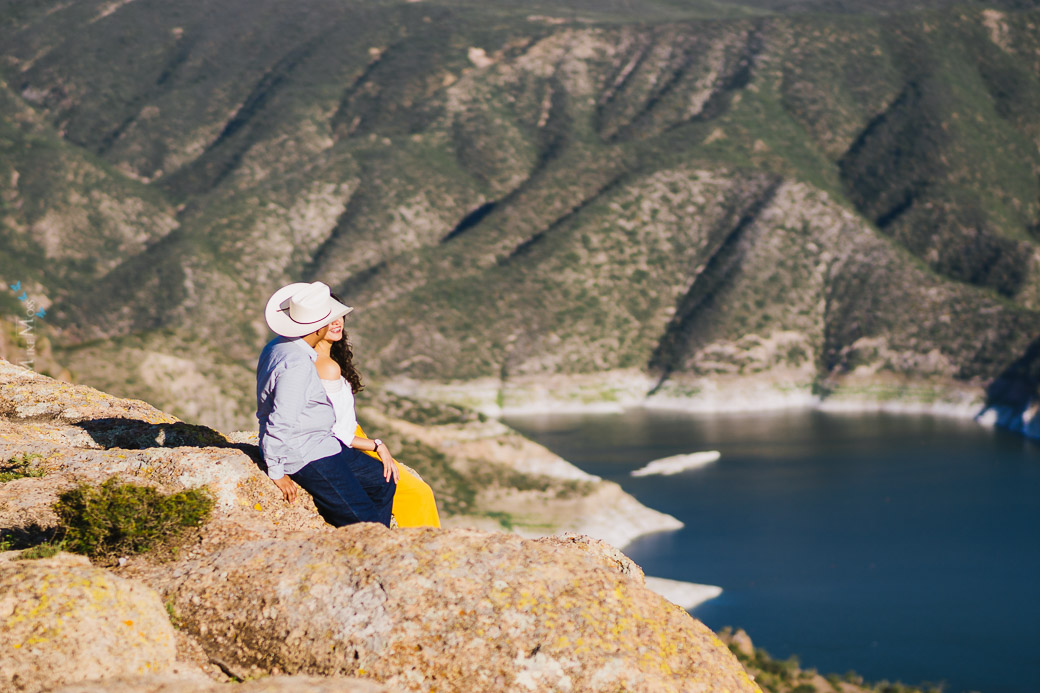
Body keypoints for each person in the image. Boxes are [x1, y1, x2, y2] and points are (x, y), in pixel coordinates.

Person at [256, 281, 396, 527]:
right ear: (318, 328)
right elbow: (282, 419)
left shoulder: (277, 346)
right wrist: (277, 471)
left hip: (323, 442)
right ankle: (371, 546)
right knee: (365, 523)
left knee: (382, 480)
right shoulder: (297, 364)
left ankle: (375, 535)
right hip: (307, 454)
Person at [313, 301, 441, 528]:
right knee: (417, 494)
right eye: (328, 317)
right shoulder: (324, 366)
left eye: (340, 315)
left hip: (349, 438)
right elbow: (332, 430)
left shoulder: (324, 360)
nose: (337, 322)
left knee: (415, 491)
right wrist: (376, 445)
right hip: (345, 443)